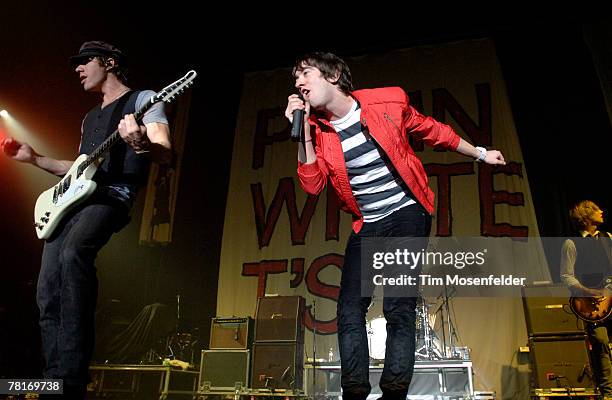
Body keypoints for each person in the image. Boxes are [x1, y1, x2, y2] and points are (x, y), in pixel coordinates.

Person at [284, 52, 506, 400]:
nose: (299, 83)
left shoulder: (388, 101)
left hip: (407, 211)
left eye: (306, 74)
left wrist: (479, 153)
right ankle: (354, 391)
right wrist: (303, 134)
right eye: (295, 78)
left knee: (398, 305)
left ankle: (394, 392)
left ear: (334, 75)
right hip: (368, 223)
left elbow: (434, 131)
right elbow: (312, 185)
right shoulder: (315, 129)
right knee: (349, 308)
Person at [1, 40, 171, 398]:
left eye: (83, 62)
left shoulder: (144, 100)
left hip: (113, 195)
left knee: (73, 252)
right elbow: (79, 170)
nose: (77, 69)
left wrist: (140, 144)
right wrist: (35, 159)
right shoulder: (90, 117)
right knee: (47, 286)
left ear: (108, 62)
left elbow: (166, 153)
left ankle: (73, 377)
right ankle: (53, 377)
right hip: (79, 200)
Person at [561, 200, 612, 399]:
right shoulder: (571, 243)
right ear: (585, 217)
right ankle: (608, 393)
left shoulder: (608, 238)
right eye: (596, 209)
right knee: (600, 344)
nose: (601, 211)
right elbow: (567, 276)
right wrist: (587, 291)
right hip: (589, 303)